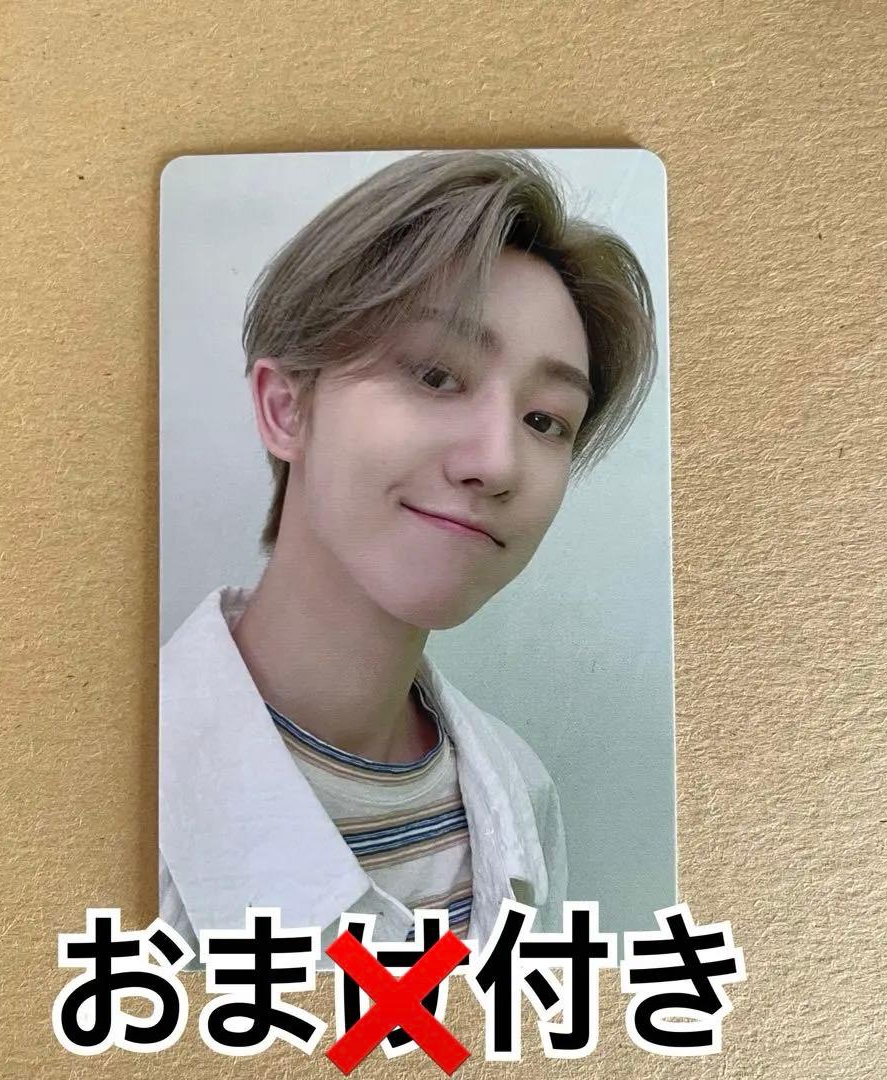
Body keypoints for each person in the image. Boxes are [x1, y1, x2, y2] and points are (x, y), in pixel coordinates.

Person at [159, 149, 657, 968]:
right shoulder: (118, 784)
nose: (497, 462)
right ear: (286, 408)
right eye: (435, 375)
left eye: (545, 420)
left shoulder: (519, 792)